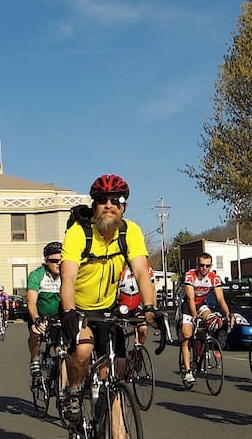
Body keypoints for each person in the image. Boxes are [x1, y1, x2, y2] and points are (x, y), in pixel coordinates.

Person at [59, 174, 162, 425]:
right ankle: (73, 391)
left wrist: (150, 309)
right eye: (102, 200)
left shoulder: (130, 232)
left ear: (123, 206)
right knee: (82, 351)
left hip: (108, 308)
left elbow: (141, 272)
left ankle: (111, 420)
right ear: (94, 205)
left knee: (117, 370)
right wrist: (70, 311)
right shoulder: (78, 233)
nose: (109, 204)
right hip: (80, 308)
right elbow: (68, 278)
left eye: (116, 200)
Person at [179, 252, 234, 386]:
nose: (204, 268)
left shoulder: (213, 277)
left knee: (212, 320)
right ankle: (187, 371)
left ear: (211, 266)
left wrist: (228, 314)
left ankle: (202, 347)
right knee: (186, 335)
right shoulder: (190, 275)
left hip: (201, 304)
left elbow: (220, 299)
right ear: (197, 265)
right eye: (202, 265)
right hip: (187, 304)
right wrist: (194, 316)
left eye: (207, 266)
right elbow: (191, 299)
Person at [27, 241, 63, 377]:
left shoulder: (66, 275)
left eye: (61, 260)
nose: (58, 263)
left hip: (58, 316)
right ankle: (35, 359)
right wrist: (36, 319)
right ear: (46, 260)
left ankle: (63, 392)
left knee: (62, 351)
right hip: (40, 314)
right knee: (35, 333)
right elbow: (31, 301)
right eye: (54, 261)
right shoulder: (37, 275)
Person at [116, 259, 156, 347]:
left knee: (143, 329)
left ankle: (138, 348)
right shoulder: (119, 265)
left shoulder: (146, 267)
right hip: (122, 304)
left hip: (137, 304)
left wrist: (153, 307)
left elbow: (152, 288)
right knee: (115, 329)